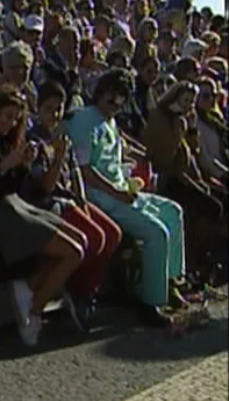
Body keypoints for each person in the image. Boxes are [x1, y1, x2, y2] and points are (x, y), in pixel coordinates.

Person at [0, 86, 85, 345]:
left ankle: (27, 291)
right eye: (6, 116)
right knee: (72, 252)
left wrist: (23, 163)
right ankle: (33, 310)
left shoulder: (7, 141)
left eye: (15, 118)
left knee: (79, 239)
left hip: (15, 205)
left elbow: (14, 186)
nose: (10, 123)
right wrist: (7, 164)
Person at [64, 69, 186, 325]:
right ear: (100, 92)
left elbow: (114, 161)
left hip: (120, 190)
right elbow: (85, 172)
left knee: (172, 211)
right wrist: (117, 192)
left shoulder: (109, 122)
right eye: (112, 94)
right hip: (100, 197)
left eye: (121, 97)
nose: (116, 101)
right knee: (156, 232)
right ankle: (150, 303)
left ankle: (170, 282)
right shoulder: (84, 120)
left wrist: (134, 172)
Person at [26, 81, 123, 321]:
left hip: (71, 198)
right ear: (38, 109)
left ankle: (85, 290)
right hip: (49, 203)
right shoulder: (35, 140)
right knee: (93, 236)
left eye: (58, 109)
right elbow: (45, 187)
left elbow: (75, 171)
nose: (55, 115)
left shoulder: (62, 135)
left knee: (112, 233)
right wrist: (58, 157)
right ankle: (71, 291)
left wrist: (82, 201)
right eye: (49, 109)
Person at [143, 82, 225, 274]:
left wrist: (191, 129)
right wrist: (181, 129)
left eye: (192, 101)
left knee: (220, 200)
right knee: (212, 207)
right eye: (186, 100)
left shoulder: (185, 119)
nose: (189, 105)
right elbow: (167, 156)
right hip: (168, 177)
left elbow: (191, 153)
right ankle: (191, 260)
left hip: (186, 174)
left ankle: (205, 259)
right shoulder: (162, 118)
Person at [195, 78, 228, 182]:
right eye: (205, 96)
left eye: (213, 95)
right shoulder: (194, 123)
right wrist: (222, 175)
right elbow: (204, 158)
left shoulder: (216, 121)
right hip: (213, 177)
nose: (211, 99)